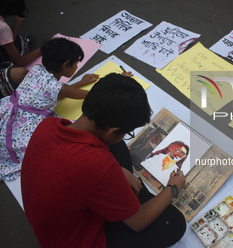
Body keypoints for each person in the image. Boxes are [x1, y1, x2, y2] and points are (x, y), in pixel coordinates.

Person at [21, 74, 187, 248]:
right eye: (127, 132)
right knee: (173, 223)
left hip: (57, 219)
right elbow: (138, 223)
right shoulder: (98, 165)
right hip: (76, 240)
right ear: (112, 130)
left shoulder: (48, 124)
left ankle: (135, 199)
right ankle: (138, 201)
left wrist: (118, 171)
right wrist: (172, 189)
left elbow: (92, 165)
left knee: (117, 147)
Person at [0, 37, 99, 181]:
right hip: (22, 128)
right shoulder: (58, 87)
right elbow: (90, 95)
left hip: (6, 114)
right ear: (66, 65)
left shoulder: (36, 70)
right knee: (64, 137)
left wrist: (81, 82)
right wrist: (117, 80)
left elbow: (60, 91)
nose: (77, 67)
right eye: (76, 63)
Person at [0, 0, 41, 98]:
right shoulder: (2, 27)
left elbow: (8, 40)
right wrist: (43, 49)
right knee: (21, 73)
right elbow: (19, 61)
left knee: (16, 42)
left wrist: (17, 21)